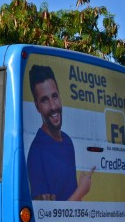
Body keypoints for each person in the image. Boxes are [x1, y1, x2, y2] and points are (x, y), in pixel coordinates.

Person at [27, 65, 94, 201]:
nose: (53, 106)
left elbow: (73, 203)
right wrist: (82, 190)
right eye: (45, 100)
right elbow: (47, 215)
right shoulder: (36, 152)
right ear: (37, 105)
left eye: (55, 96)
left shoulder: (67, 141)